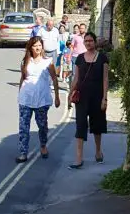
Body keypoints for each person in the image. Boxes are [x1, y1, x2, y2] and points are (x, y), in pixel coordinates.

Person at [16, 35, 60, 163]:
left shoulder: (48, 61)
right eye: (35, 46)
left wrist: (57, 96)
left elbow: (54, 79)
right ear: (30, 47)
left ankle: (43, 145)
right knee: (24, 127)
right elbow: (22, 78)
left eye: (40, 45)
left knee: (42, 125)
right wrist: (19, 94)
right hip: (26, 98)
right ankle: (23, 152)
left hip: (42, 98)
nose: (38, 48)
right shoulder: (25, 61)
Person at [69, 31, 108, 168]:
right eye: (86, 41)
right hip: (82, 96)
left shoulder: (102, 58)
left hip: (97, 96)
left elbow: (105, 79)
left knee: (97, 125)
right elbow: (76, 78)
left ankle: (98, 151)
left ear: (95, 42)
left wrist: (104, 98)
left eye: (90, 41)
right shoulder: (79, 58)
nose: (88, 43)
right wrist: (70, 93)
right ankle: (79, 158)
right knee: (80, 125)